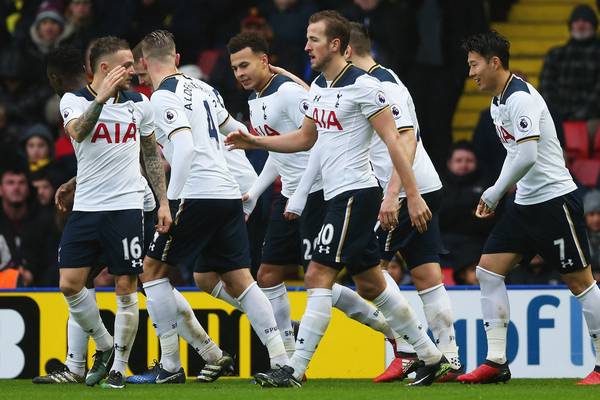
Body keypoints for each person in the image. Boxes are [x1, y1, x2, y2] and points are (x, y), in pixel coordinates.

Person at [226, 10, 447, 387]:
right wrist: (256, 142)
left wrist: (408, 195)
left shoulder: (365, 87)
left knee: (317, 274)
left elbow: (395, 142)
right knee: (370, 284)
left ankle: (294, 369)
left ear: (336, 45)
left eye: (314, 39)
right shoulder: (321, 86)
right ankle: (430, 355)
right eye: (308, 38)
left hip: (356, 194)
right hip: (335, 197)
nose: (306, 45)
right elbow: (305, 140)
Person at [139, 29, 288, 384]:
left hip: (197, 193)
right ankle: (282, 359)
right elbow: (235, 129)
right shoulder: (204, 88)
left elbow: (186, 149)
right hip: (225, 194)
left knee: (152, 272)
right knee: (241, 279)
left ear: (144, 63)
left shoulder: (161, 98)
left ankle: (171, 366)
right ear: (176, 58)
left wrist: (169, 203)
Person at [457, 31, 600, 386]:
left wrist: (494, 192)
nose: (471, 72)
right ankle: (496, 361)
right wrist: (506, 191)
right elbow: (516, 156)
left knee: (581, 283)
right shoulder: (496, 103)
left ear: (494, 62)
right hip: (525, 204)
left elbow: (528, 153)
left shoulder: (520, 97)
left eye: (474, 65)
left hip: (554, 202)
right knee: (488, 272)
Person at [345, 21, 461, 383]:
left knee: (370, 274)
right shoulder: (381, 78)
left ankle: (410, 351)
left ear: (345, 50)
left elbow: (407, 141)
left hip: (408, 190)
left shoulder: (382, 86)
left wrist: (397, 195)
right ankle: (451, 360)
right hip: (423, 184)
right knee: (426, 274)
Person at [56, 36, 171, 389]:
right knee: (70, 284)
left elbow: (150, 155)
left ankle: (118, 368)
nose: (136, 69)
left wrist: (163, 202)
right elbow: (79, 131)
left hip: (126, 207)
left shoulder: (140, 103)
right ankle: (105, 346)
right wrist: (102, 98)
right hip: (88, 207)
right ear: (105, 69)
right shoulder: (73, 100)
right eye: (127, 64)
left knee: (126, 285)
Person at [539, 5, 600, 124]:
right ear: (571, 26)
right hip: (558, 118)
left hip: (593, 118)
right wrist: (558, 114)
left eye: (586, 21)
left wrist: (580, 115)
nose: (581, 24)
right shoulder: (555, 54)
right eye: (577, 21)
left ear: (594, 25)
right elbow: (546, 89)